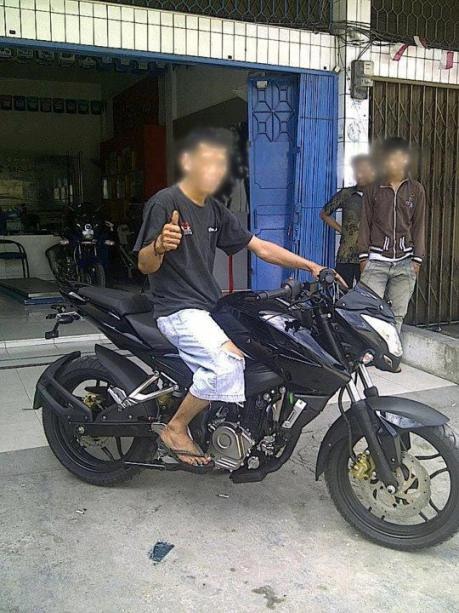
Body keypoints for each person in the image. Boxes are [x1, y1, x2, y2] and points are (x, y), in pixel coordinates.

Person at [135, 128, 340, 467]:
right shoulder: (165, 202)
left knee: (264, 348)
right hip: (177, 309)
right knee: (227, 363)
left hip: (208, 307)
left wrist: (311, 266)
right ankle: (176, 427)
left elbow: (260, 247)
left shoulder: (213, 209)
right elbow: (145, 265)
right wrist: (158, 245)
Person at [358, 137, 426, 332]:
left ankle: (391, 351)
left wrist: (417, 260)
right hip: (376, 261)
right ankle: (371, 350)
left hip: (405, 262)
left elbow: (419, 225)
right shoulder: (373, 189)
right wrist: (363, 258)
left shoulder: (416, 190)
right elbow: (365, 223)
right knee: (370, 313)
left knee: (397, 316)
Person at [320, 154, 375, 288]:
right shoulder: (346, 194)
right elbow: (324, 214)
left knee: (368, 294)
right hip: (346, 255)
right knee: (342, 292)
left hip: (371, 256)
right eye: (357, 172)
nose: (359, 175)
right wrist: (341, 230)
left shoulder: (379, 196)